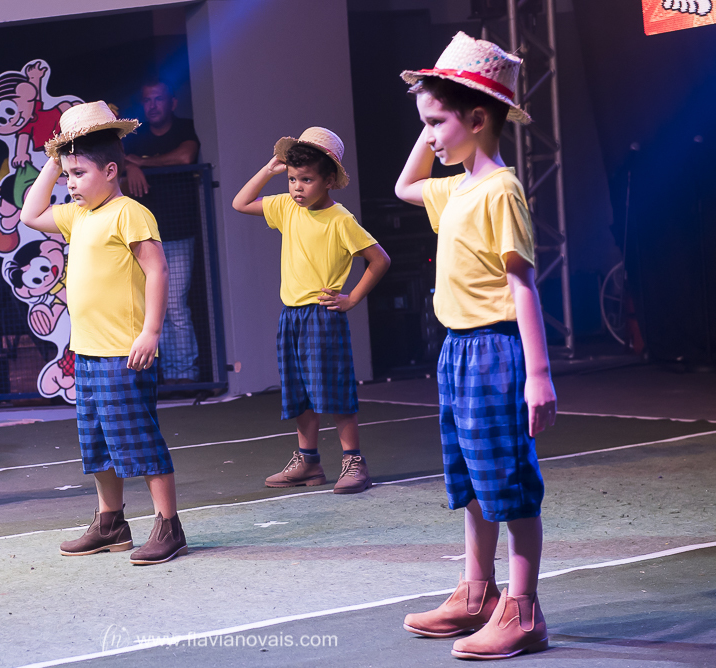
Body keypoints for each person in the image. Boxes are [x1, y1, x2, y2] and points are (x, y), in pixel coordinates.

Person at [394, 32, 556, 659]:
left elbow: (522, 283)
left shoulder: (499, 189)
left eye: (438, 123)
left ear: (479, 119)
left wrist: (538, 374)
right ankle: (477, 593)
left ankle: (523, 610)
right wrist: (432, 109)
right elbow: (407, 185)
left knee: (508, 482)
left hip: (495, 352)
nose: (430, 136)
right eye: (426, 125)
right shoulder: (455, 189)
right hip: (457, 352)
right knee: (470, 479)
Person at [20, 101, 187, 565]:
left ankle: (169, 526)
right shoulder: (78, 216)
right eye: (67, 174)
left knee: (139, 439)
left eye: (79, 173)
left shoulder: (129, 212)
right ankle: (110, 523)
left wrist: (151, 331)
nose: (71, 183)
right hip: (89, 352)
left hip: (124, 351)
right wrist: (55, 161)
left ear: (111, 171)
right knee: (97, 443)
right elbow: (30, 214)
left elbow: (157, 271)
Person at [232, 127, 391, 494]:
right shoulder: (286, 207)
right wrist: (270, 169)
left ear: (329, 180)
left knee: (334, 389)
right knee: (299, 391)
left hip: (322, 315)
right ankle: (308, 461)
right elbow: (240, 202)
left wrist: (351, 298)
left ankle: (353, 460)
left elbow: (379, 259)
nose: (297, 188)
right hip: (291, 315)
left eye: (306, 179)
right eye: (292, 179)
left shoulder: (340, 219)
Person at [123, 78, 202, 383]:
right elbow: (117, 163)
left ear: (172, 103)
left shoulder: (184, 128)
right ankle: (165, 374)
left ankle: (185, 375)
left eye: (158, 99)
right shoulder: (136, 135)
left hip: (179, 232)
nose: (152, 105)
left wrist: (141, 163)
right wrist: (132, 166)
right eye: (147, 100)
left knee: (175, 306)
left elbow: (185, 157)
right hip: (145, 237)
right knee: (153, 308)